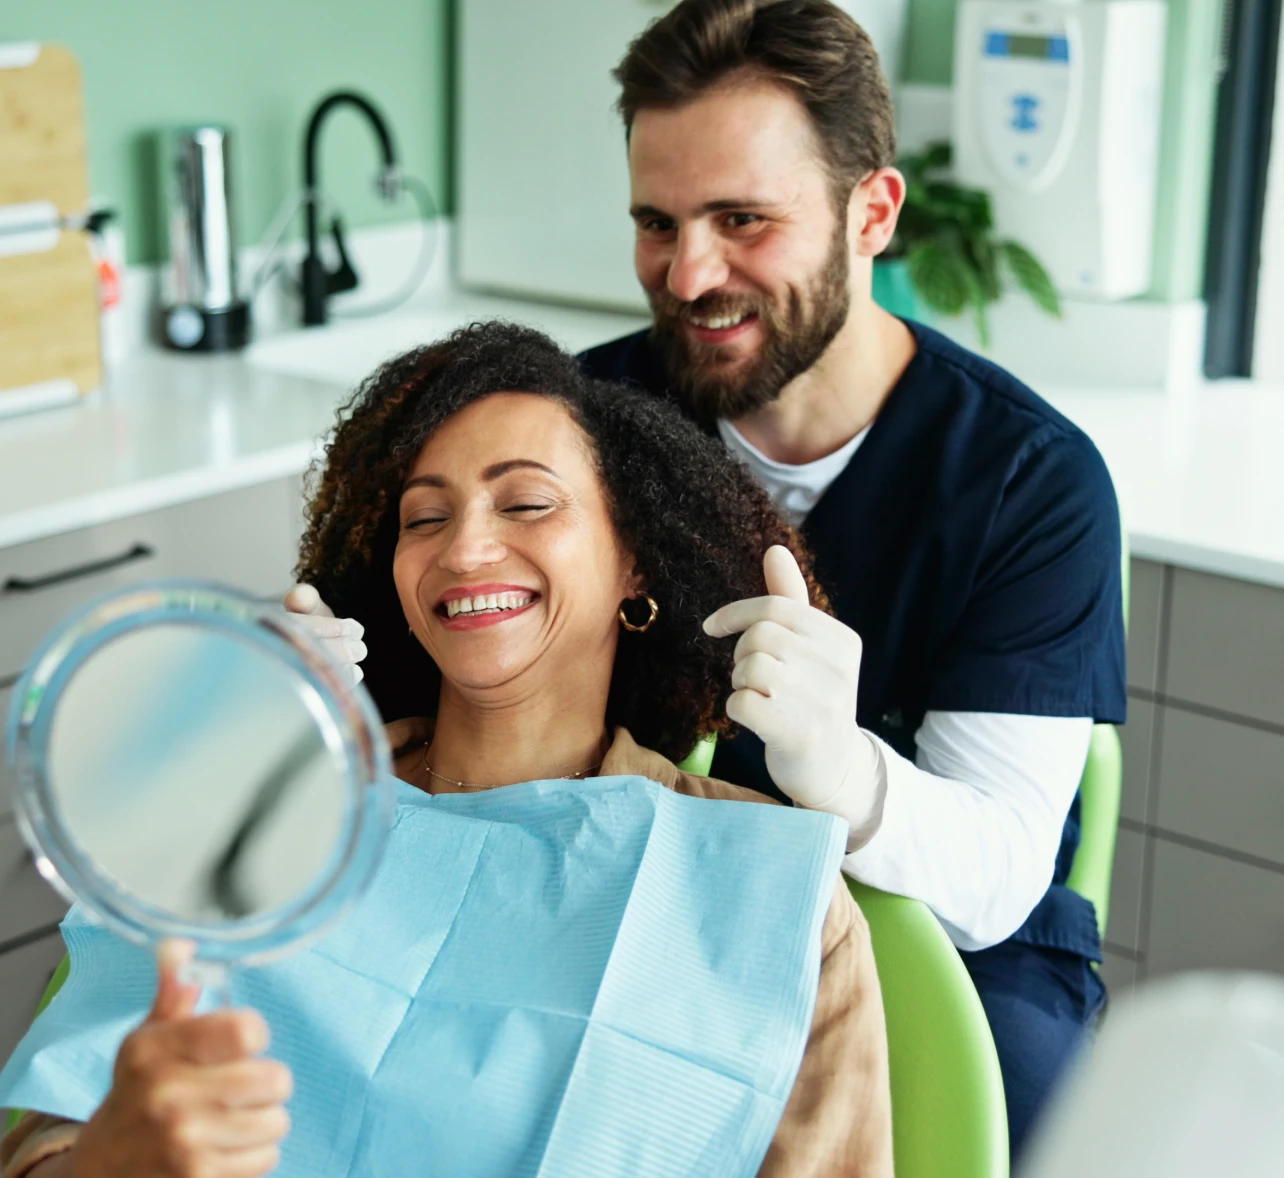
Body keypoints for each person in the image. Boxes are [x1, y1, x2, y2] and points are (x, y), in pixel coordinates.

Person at [292, 0, 1127, 1157]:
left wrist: (841, 771)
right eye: (657, 221)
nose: (689, 273)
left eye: (743, 219)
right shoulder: (586, 420)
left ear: (870, 212)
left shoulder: (1028, 482)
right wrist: (298, 698)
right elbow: (428, 645)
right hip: (622, 889)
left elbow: (995, 876)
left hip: (941, 934)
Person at [1, 322, 892, 1178]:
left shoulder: (769, 890)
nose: (464, 549)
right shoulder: (256, 812)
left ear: (636, 563)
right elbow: (56, 1129)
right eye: (423, 519)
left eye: (527, 503)